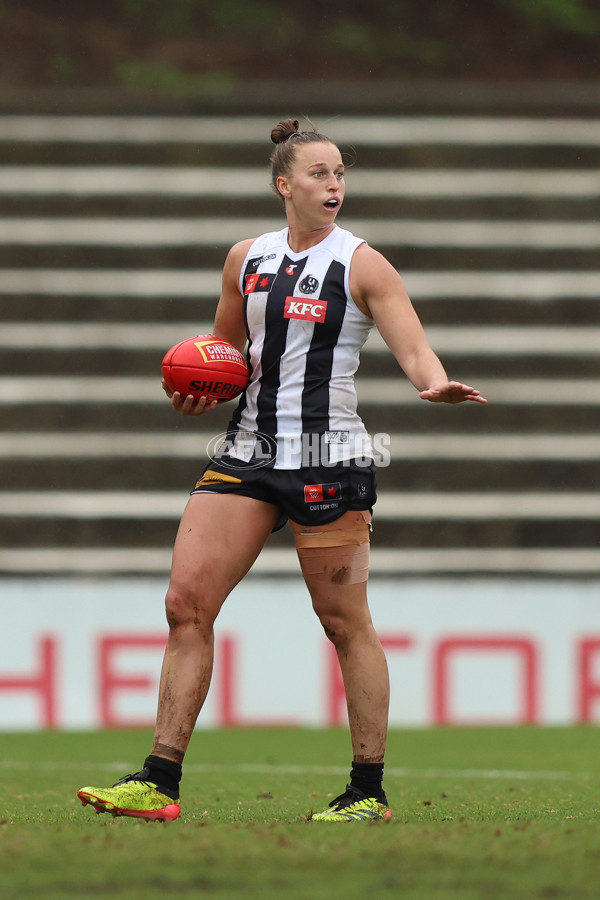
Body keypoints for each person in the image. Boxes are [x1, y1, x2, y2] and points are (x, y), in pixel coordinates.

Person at [77, 117, 486, 824]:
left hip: (333, 463)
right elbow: (225, 355)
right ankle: (158, 779)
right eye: (320, 173)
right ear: (284, 184)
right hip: (248, 456)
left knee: (344, 622)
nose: (335, 185)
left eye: (340, 174)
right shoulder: (247, 259)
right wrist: (197, 391)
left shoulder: (363, 264)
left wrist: (435, 382)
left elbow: (414, 346)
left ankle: (366, 790)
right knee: (185, 605)